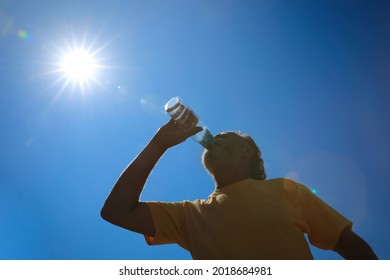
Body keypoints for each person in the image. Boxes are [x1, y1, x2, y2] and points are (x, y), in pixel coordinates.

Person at [101, 118, 378, 260]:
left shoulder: (285, 190)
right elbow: (116, 212)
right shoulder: (191, 214)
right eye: (215, 138)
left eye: (224, 138)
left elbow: (348, 243)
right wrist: (158, 143)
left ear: (248, 152)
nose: (215, 139)